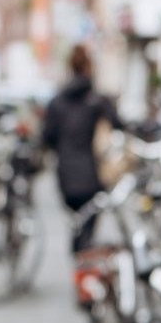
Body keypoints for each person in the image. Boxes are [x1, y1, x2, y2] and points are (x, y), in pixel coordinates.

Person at [43, 45, 124, 253]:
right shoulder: (97, 100)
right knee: (87, 226)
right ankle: (83, 264)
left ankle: (80, 262)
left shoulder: (57, 101)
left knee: (78, 225)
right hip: (91, 173)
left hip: (65, 175)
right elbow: (119, 125)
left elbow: (47, 138)